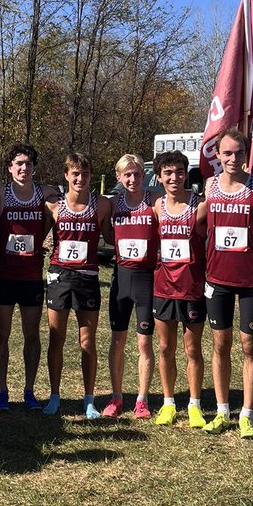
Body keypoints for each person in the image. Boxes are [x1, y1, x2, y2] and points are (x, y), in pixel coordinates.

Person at [202, 127, 253, 439]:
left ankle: (247, 414)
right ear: (218, 154)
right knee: (220, 343)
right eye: (227, 153)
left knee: (249, 344)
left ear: (245, 155)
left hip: (251, 278)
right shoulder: (209, 186)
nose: (232, 158)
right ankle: (222, 409)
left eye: (238, 153)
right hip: (217, 278)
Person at [44, 152, 112, 419]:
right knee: (56, 339)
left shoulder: (102, 204)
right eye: (75, 173)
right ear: (66, 175)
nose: (80, 178)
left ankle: (89, 399)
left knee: (87, 342)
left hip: (87, 277)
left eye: (85, 174)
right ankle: (54, 395)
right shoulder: (53, 206)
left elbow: (111, 236)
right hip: (59, 276)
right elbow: (36, 235)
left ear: (91, 175)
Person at [0, 143, 54, 412]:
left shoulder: (45, 194)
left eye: (28, 163)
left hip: (30, 277)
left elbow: (55, 215)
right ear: (10, 168)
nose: (24, 168)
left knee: (32, 335)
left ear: (34, 167)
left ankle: (29, 390)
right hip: (4, 276)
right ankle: (2, 391)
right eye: (19, 164)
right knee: (2, 334)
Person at [151, 150, 208, 428]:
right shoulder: (156, 206)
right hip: (163, 288)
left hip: (192, 288)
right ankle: (168, 402)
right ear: (159, 177)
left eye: (179, 172)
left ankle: (195, 405)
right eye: (168, 173)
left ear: (186, 174)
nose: (174, 177)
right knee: (165, 347)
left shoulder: (200, 205)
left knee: (192, 348)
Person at [102, 154, 157, 419]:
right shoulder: (113, 204)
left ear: (143, 175)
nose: (133, 179)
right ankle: (116, 397)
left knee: (144, 343)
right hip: (121, 279)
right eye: (127, 174)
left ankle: (142, 400)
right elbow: (105, 232)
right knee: (117, 341)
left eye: (136, 174)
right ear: (119, 177)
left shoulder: (154, 201)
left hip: (146, 279)